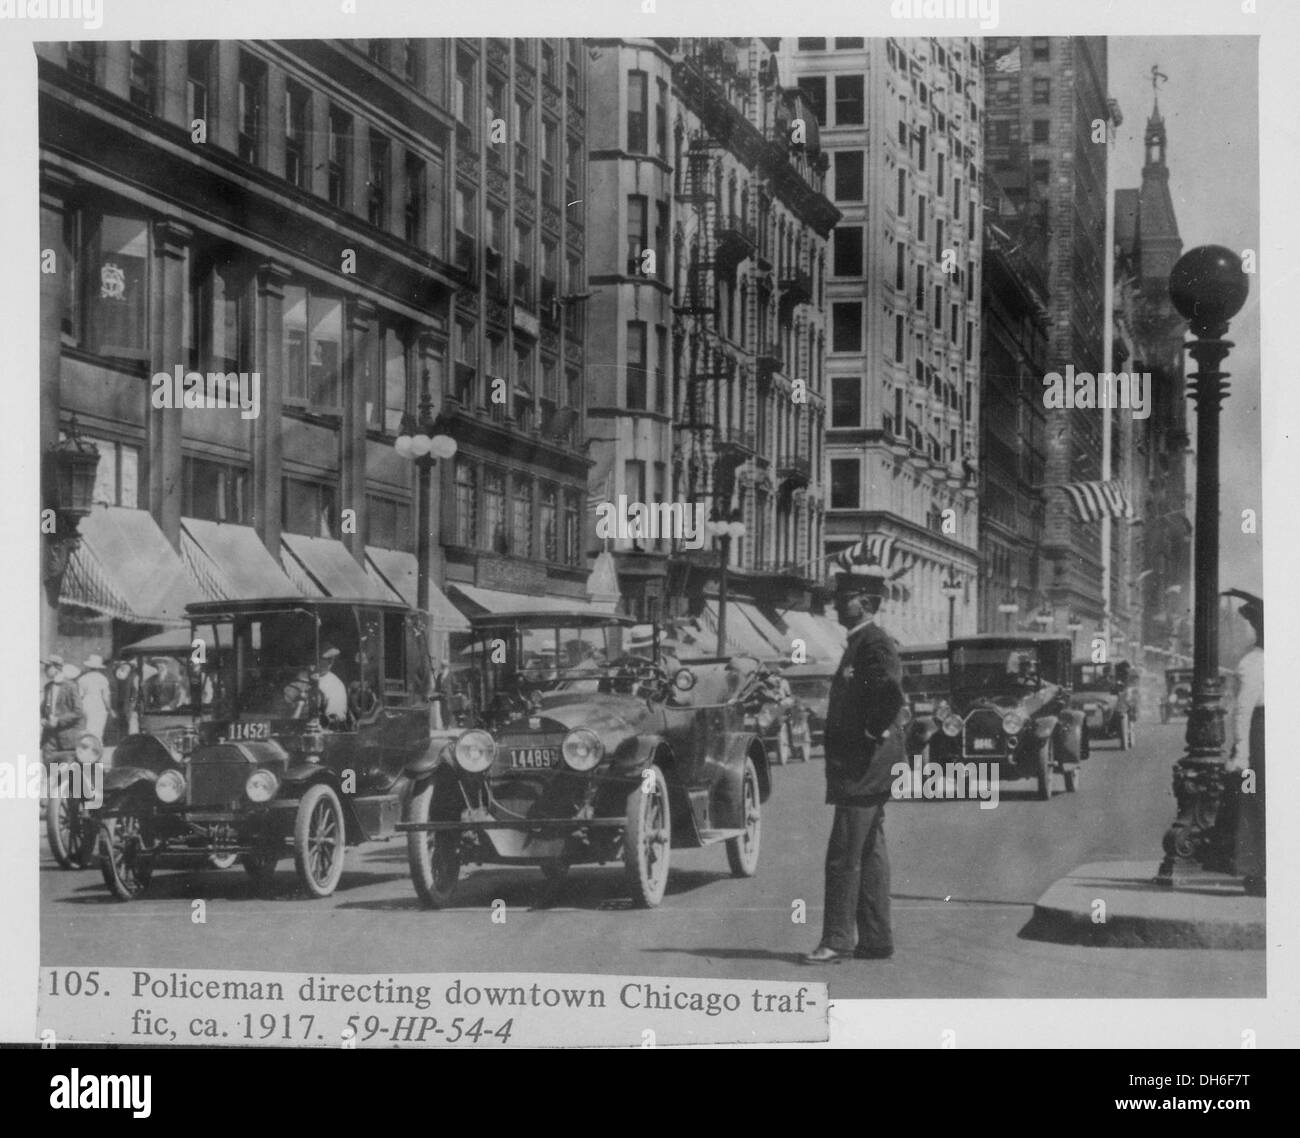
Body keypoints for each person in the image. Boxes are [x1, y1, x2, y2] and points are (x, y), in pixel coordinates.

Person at [804, 565, 905, 965]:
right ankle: (877, 938)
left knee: (844, 855)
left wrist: (869, 735)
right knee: (870, 853)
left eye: (845, 598)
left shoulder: (873, 643)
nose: (837, 604)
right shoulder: (861, 642)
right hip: (868, 768)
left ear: (866, 603)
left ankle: (838, 939)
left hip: (863, 769)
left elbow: (888, 694)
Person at [1224, 588, 1264, 897]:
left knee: (1254, 805)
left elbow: (1242, 711)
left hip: (1259, 743)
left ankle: (1259, 873)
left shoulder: (1253, 662)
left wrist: (1241, 754)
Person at [40, 656, 85, 757]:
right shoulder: (48, 687)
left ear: (56, 668)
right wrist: (43, 718)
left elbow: (78, 712)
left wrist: (59, 720)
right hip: (49, 738)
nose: (45, 670)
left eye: (47, 667)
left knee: (67, 770)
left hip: (67, 737)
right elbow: (44, 707)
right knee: (49, 768)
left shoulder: (71, 686)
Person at [77, 653, 113, 744]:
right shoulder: (103, 679)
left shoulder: (82, 678)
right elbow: (105, 697)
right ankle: (96, 750)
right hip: (98, 703)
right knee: (97, 729)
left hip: (86, 703)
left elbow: (80, 695)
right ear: (98, 667)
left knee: (87, 728)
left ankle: (86, 749)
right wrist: (109, 709)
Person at [313, 646, 349, 724]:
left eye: (331, 660)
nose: (315, 662)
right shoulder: (302, 677)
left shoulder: (335, 685)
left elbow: (335, 716)